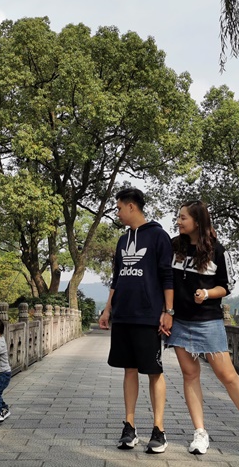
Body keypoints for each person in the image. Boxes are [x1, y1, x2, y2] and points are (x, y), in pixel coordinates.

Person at [167, 200, 239, 459]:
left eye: (183, 217)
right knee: (189, 375)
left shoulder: (217, 250)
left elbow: (226, 286)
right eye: (178, 217)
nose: (178, 221)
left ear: (197, 221)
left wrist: (206, 293)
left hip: (208, 320)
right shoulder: (175, 246)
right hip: (180, 322)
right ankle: (200, 432)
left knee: (227, 375)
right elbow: (166, 279)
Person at [98, 187, 174, 454]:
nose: (117, 213)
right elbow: (116, 278)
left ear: (131, 206)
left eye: (118, 208)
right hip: (123, 315)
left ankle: (159, 429)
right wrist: (108, 309)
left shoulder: (158, 236)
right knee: (128, 369)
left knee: (154, 371)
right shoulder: (122, 240)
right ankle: (129, 427)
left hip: (148, 315)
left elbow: (167, 276)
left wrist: (169, 311)